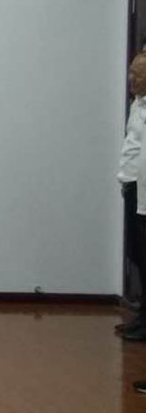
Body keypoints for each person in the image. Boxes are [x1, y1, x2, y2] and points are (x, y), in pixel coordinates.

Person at [119, 52, 146, 341]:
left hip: (144, 188)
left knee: (143, 253)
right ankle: (141, 316)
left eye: (136, 75)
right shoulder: (137, 104)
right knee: (134, 252)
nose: (130, 79)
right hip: (131, 184)